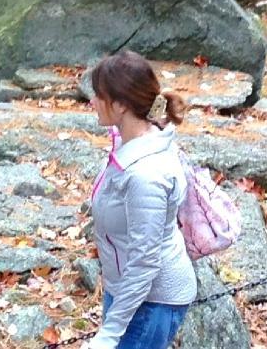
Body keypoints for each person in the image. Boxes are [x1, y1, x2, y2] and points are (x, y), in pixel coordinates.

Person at [86, 50, 196, 349]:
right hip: (130, 295)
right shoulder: (137, 139)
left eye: (98, 95)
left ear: (121, 105)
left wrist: (108, 335)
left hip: (150, 302)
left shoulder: (145, 174)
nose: (92, 102)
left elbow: (144, 261)